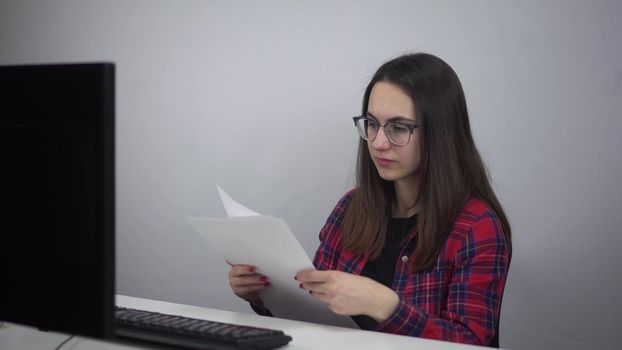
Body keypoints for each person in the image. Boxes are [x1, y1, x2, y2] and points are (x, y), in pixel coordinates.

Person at [228, 53, 512, 347]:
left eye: (399, 128)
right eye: (372, 124)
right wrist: (264, 296)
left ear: (440, 133)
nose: (378, 143)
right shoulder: (350, 208)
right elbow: (312, 317)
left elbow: (471, 342)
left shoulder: (477, 227)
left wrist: (385, 306)